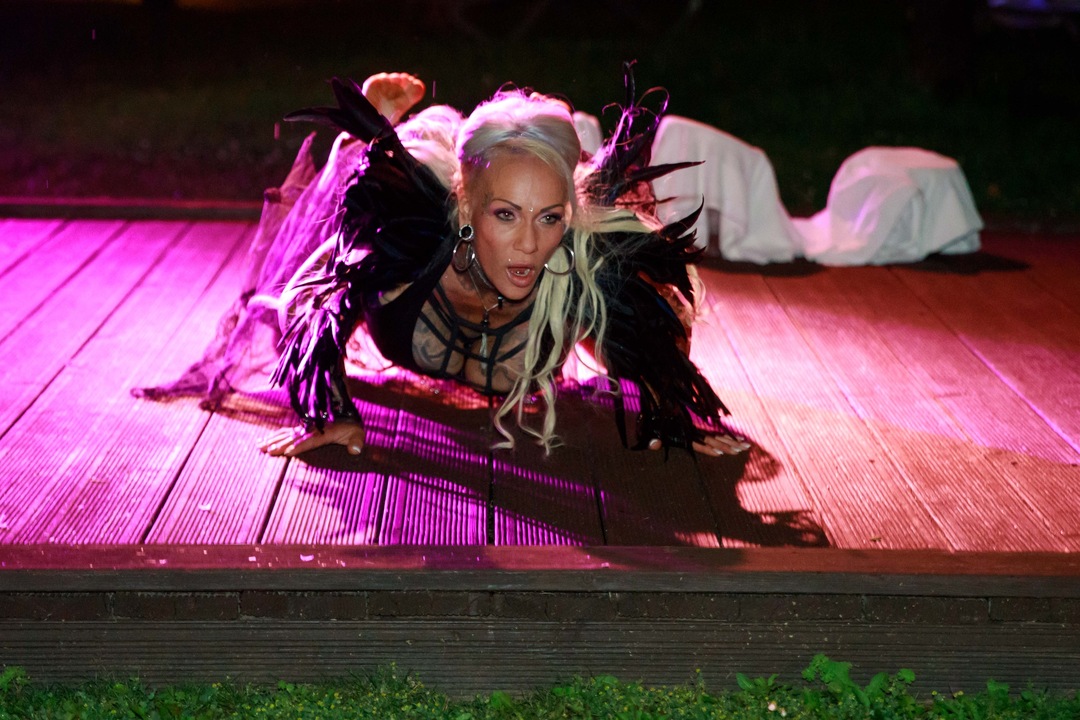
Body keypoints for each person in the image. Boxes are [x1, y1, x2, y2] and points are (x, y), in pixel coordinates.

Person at [142, 69, 750, 459]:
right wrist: (330, 411)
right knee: (297, 282)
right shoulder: (405, 245)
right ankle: (371, 134)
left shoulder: (578, 275)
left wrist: (675, 414)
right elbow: (308, 303)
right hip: (417, 240)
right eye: (505, 216)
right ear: (466, 210)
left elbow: (663, 342)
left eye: (548, 218)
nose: (528, 245)